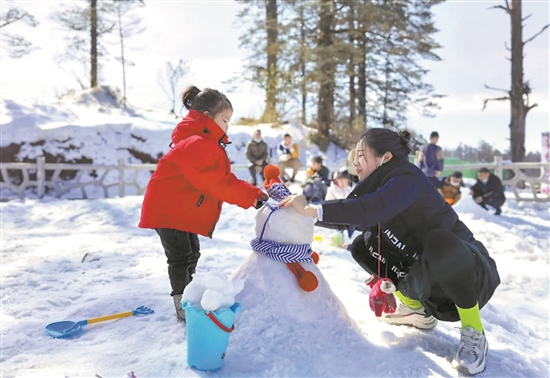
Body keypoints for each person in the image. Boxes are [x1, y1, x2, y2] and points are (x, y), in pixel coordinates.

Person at [281, 128, 500, 376]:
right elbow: (359, 215)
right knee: (364, 245)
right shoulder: (380, 186)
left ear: (385, 158)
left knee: (440, 241)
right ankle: (415, 308)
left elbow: (374, 208)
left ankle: (474, 330)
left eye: (362, 155)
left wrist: (313, 211)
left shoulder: (408, 178)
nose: (355, 161)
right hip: (432, 281)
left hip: (470, 272)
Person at [139, 86, 268, 322]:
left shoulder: (203, 142)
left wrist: (253, 193)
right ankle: (183, 303)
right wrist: (251, 197)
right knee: (181, 256)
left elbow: (223, 180)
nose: (227, 127)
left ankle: (191, 295)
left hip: (180, 210)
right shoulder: (197, 143)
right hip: (169, 210)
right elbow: (214, 183)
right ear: (207, 116)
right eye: (225, 120)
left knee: (192, 253)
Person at [325, 168, 355, 247]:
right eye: (340, 181)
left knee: (352, 226)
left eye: (345, 181)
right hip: (337, 212)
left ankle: (349, 242)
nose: (343, 183)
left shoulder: (351, 188)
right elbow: (328, 201)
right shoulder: (332, 190)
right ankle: (338, 243)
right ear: (336, 180)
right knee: (338, 229)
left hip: (349, 212)